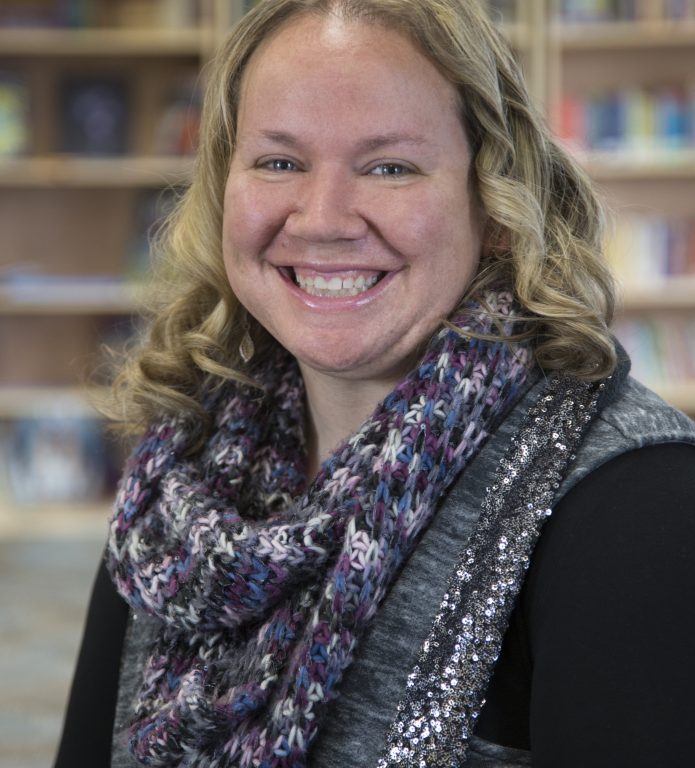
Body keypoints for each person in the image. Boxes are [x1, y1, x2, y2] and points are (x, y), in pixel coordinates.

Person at [54, 1, 695, 766]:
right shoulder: (181, 469)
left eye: (389, 166)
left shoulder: (638, 500)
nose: (322, 219)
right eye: (279, 162)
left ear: (493, 201)